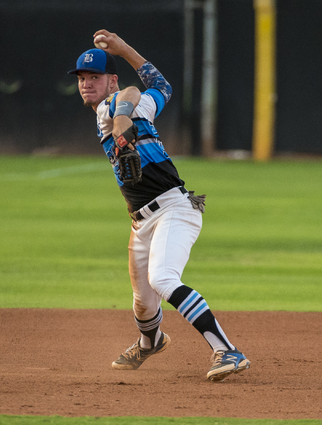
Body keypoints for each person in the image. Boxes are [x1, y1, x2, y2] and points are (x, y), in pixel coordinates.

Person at [68, 29, 250, 381]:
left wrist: (121, 122)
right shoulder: (133, 108)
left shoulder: (111, 106)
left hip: (175, 208)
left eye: (95, 77)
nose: (87, 84)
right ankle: (150, 342)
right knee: (143, 302)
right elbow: (160, 86)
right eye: (82, 78)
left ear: (111, 81)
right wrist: (124, 50)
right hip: (141, 223)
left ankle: (227, 350)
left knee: (164, 278)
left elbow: (132, 92)